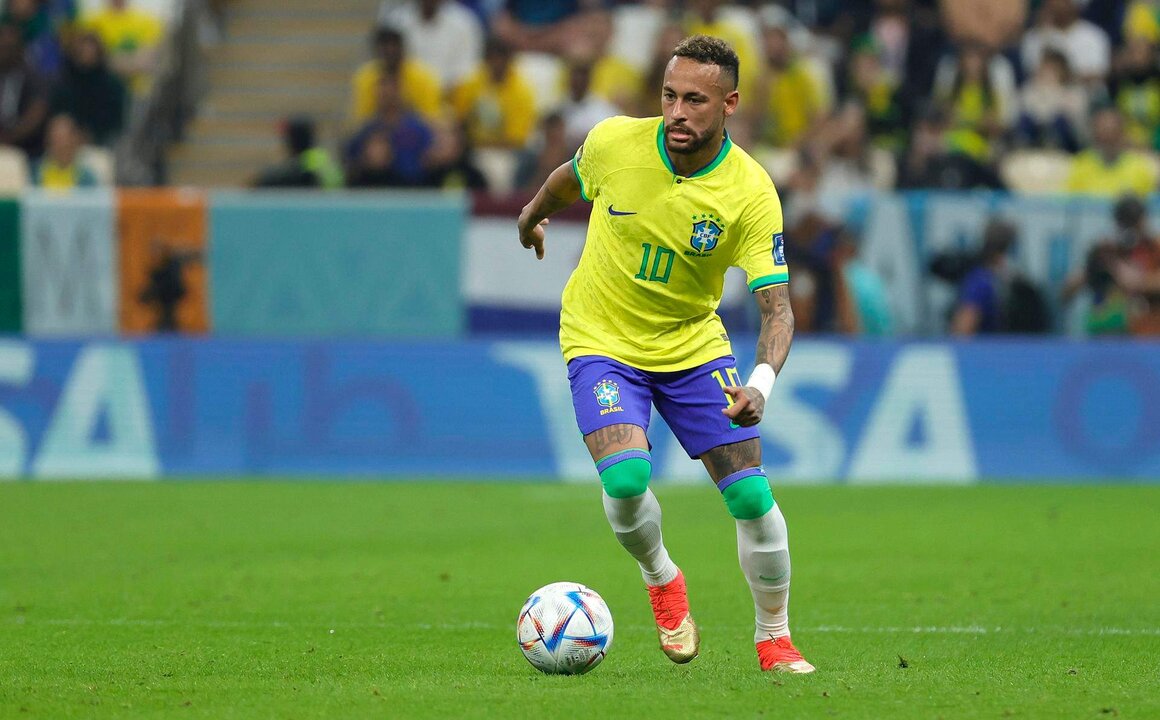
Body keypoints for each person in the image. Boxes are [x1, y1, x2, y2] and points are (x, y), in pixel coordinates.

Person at [516, 34, 814, 675]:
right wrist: (532, 215)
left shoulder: (751, 193)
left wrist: (760, 383)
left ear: (729, 103)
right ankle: (662, 580)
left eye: (696, 101)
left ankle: (775, 639)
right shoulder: (616, 142)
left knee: (752, 499)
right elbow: (570, 179)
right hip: (601, 338)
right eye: (670, 96)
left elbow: (778, 311)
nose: (678, 112)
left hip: (691, 343)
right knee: (625, 482)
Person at [31, 113, 99, 189]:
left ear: (75, 140)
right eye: (55, 139)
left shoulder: (87, 178)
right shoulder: (34, 173)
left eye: (63, 139)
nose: (60, 145)